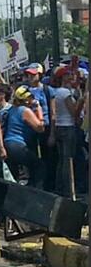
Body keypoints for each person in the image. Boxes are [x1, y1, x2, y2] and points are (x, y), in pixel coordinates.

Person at [3, 86, 45, 188]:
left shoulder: (12, 109)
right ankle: (38, 192)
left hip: (9, 144)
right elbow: (40, 128)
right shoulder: (25, 110)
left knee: (20, 171)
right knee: (39, 166)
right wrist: (39, 112)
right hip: (17, 144)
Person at [52, 67, 85, 197]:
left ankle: (60, 187)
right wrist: (81, 102)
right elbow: (74, 112)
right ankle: (68, 190)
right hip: (68, 127)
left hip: (61, 127)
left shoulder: (58, 92)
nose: (72, 77)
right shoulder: (64, 93)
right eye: (69, 75)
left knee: (62, 160)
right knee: (68, 160)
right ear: (63, 77)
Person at [25, 63, 57, 191]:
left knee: (48, 158)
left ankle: (49, 185)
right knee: (31, 157)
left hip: (45, 128)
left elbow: (53, 113)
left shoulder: (48, 90)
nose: (30, 77)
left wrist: (53, 134)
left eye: (33, 74)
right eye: (28, 74)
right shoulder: (24, 90)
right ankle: (34, 183)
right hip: (30, 128)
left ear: (40, 74)